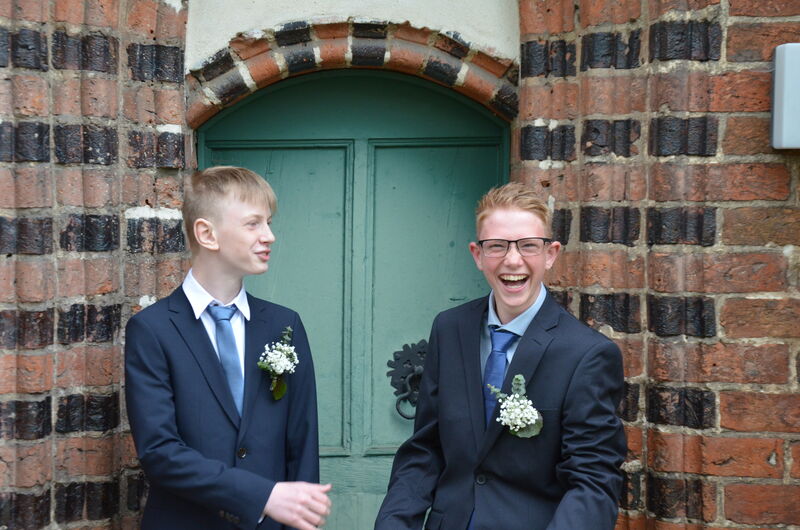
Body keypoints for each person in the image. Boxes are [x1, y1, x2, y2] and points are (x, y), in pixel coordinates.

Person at [375, 182, 626, 530]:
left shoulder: (587, 354)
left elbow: (593, 482)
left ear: (550, 254)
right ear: (477, 255)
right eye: (497, 246)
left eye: (528, 245)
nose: (512, 260)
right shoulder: (449, 329)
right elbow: (426, 449)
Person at [125, 166, 331, 530]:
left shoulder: (285, 325)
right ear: (207, 234)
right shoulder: (153, 330)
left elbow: (302, 441)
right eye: (253, 224)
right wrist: (261, 496)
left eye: (269, 223)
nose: (269, 236)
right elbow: (159, 452)